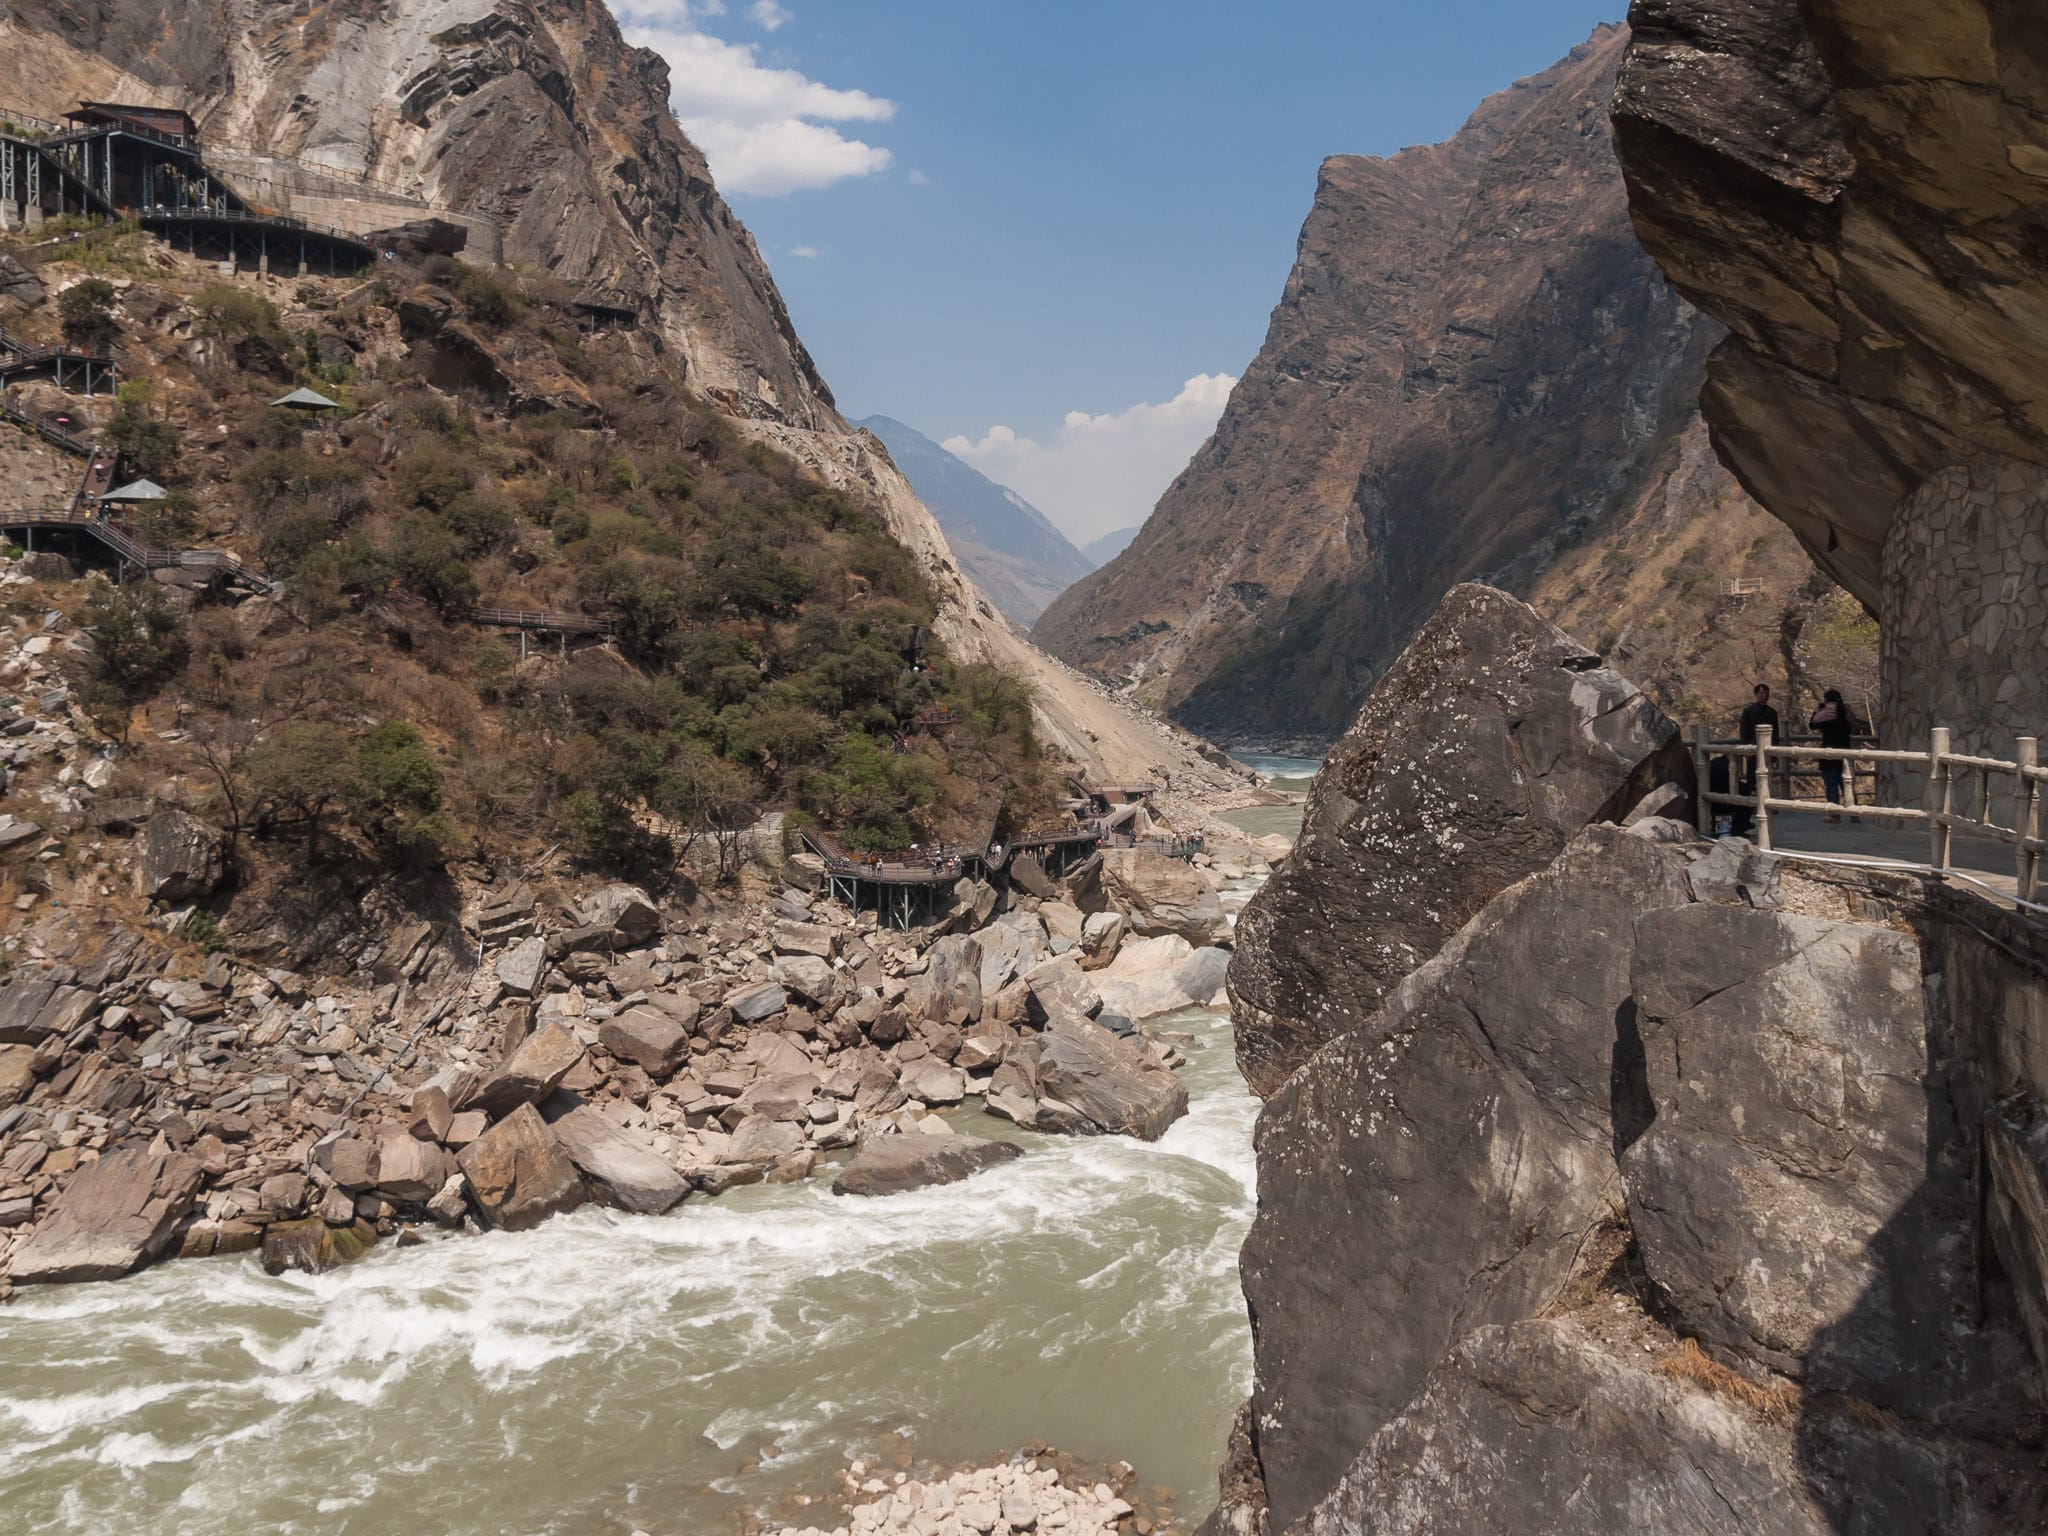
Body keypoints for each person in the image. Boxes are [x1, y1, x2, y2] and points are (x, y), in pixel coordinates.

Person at [1732, 684, 1780, 836]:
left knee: (1768, 776)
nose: (1763, 695)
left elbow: (1776, 732)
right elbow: (1744, 731)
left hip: (1768, 749)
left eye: (1766, 693)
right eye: (1761, 693)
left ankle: (1768, 802)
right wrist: (1746, 748)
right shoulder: (1748, 712)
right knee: (1752, 779)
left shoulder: (1772, 712)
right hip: (1753, 749)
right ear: (1755, 694)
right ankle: (1753, 805)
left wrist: (1776, 749)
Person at [1809, 688, 1857, 822]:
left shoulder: (1824, 714)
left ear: (1826, 700)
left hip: (1828, 753)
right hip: (1845, 752)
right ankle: (1854, 814)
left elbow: (1812, 724)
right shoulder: (1847, 712)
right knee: (1846, 783)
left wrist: (1816, 710)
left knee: (1831, 784)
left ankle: (1834, 814)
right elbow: (1855, 726)